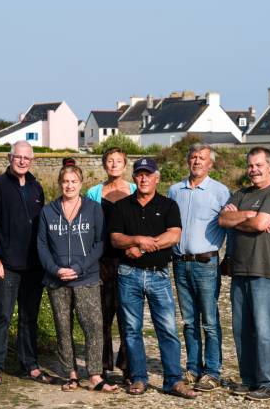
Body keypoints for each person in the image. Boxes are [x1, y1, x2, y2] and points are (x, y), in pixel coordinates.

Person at [109, 157, 197, 399]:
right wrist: (135, 239)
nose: (144, 178)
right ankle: (138, 378)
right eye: (139, 174)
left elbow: (174, 236)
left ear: (157, 177)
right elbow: (115, 238)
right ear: (134, 177)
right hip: (128, 274)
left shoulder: (169, 205)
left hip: (158, 275)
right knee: (131, 330)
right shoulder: (121, 206)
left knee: (167, 328)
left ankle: (173, 381)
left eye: (148, 174)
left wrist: (144, 246)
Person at [37, 159, 119, 393]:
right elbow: (42, 245)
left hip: (87, 278)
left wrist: (80, 267)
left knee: (93, 326)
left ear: (81, 183)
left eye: (73, 181)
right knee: (63, 328)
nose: (69, 186)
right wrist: (55, 269)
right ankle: (71, 375)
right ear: (60, 183)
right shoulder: (48, 211)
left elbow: (99, 242)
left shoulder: (93, 209)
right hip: (57, 280)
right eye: (65, 181)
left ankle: (94, 375)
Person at [218, 146, 270, 401]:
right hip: (239, 270)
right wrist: (250, 215)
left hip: (265, 271)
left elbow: (261, 223)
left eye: (259, 165)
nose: (254, 170)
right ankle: (250, 380)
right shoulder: (241, 193)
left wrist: (246, 219)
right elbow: (222, 220)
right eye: (250, 165)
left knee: (265, 330)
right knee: (242, 329)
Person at [0, 140, 53, 386]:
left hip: (33, 266)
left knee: (29, 317)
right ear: (9, 157)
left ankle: (29, 364)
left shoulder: (36, 188)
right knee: (2, 316)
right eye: (18, 157)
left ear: (32, 160)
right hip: (7, 265)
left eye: (27, 158)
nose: (22, 161)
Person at [167, 143, 230, 392]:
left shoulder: (220, 191)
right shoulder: (174, 191)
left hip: (206, 263)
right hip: (180, 264)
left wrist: (229, 258)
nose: (196, 161)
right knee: (189, 320)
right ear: (187, 161)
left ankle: (212, 371)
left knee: (210, 320)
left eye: (202, 158)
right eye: (193, 157)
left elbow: (230, 226)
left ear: (210, 163)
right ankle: (193, 367)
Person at [85, 147, 137, 382]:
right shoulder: (94, 192)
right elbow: (87, 227)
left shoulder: (135, 190)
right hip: (102, 261)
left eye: (118, 161)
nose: (114, 164)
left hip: (130, 259)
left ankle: (128, 367)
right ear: (104, 164)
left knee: (128, 314)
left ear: (125, 165)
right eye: (109, 161)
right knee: (103, 315)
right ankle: (103, 364)